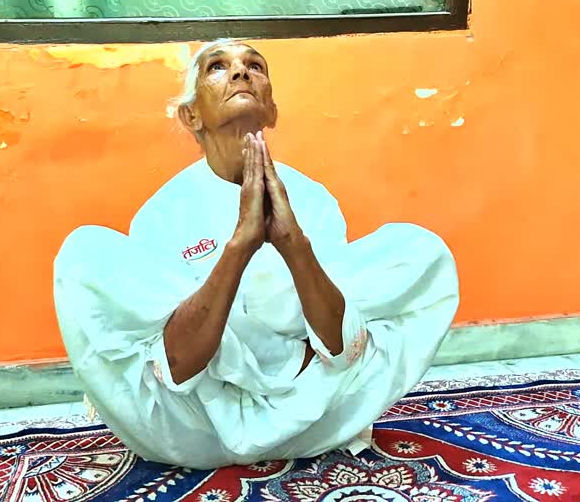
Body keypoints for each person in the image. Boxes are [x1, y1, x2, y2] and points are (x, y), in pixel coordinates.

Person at [53, 39, 459, 470]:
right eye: (217, 67)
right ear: (191, 115)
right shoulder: (162, 214)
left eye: (255, 66)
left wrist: (292, 243)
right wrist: (240, 246)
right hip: (197, 422)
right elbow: (178, 365)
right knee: (83, 252)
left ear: (272, 110)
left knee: (421, 252)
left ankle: (281, 396)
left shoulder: (312, 200)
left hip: (309, 408)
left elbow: (339, 348)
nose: (242, 73)